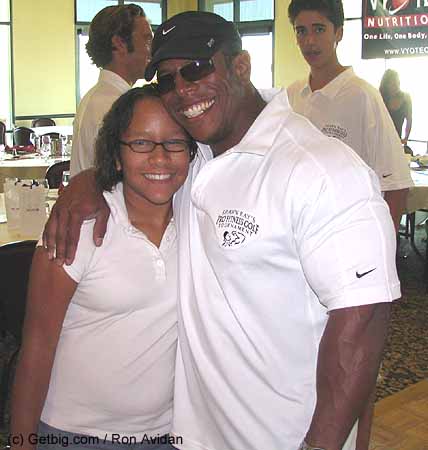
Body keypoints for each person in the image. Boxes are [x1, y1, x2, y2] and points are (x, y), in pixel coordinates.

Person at [43, 11, 400, 450]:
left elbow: (363, 319)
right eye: (168, 79)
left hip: (285, 437)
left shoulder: (320, 168)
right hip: (193, 435)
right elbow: (136, 165)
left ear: (241, 66)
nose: (182, 89)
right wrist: (88, 182)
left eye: (196, 69)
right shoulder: (192, 159)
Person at [11, 85, 197, 450]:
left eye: (174, 143)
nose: (159, 157)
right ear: (117, 155)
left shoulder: (198, 223)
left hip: (167, 433)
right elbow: (36, 347)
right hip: (75, 435)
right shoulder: (76, 230)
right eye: (141, 143)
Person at [286, 0, 413, 232]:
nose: (309, 41)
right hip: (298, 231)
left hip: (348, 233)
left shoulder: (363, 96)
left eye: (319, 29)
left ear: (339, 33)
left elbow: (396, 185)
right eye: (301, 31)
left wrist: (383, 246)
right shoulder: (292, 95)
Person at [70, 4, 153, 176]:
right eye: (147, 40)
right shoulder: (116, 106)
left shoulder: (96, 97)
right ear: (120, 44)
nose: (152, 50)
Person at [379, 69, 412, 145]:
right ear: (387, 85)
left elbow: (409, 120)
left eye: (398, 81)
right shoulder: (381, 98)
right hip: (382, 140)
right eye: (393, 82)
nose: (397, 84)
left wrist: (406, 138)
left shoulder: (406, 98)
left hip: (397, 140)